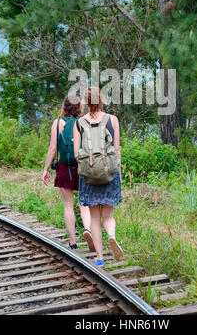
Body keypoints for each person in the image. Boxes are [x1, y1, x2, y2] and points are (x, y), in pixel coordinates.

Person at [73, 87, 123, 267]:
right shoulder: (112, 120)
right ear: (101, 100)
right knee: (108, 216)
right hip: (109, 172)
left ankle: (100, 257)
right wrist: (116, 172)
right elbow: (116, 150)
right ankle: (111, 236)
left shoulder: (79, 123)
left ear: (86, 103)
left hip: (88, 176)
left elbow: (77, 154)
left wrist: (90, 166)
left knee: (94, 217)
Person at [42, 95, 95, 252]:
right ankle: (88, 230)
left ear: (64, 106)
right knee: (84, 204)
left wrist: (45, 169)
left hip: (65, 168)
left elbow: (53, 148)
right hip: (83, 167)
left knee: (68, 206)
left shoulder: (57, 123)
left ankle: (72, 242)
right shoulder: (85, 121)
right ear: (79, 107)